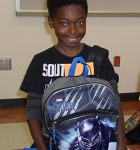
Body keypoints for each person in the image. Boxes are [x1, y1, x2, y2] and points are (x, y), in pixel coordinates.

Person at [19, 0, 126, 149]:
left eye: (80, 22)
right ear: (51, 22)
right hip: (52, 143)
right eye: (63, 23)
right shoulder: (40, 61)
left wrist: (122, 145)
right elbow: (33, 113)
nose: (73, 31)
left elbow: (116, 104)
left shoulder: (99, 59)